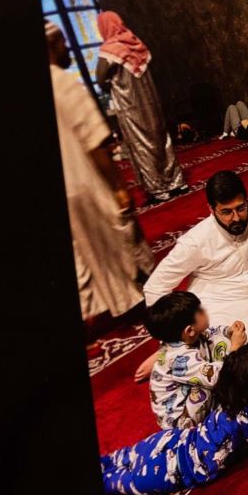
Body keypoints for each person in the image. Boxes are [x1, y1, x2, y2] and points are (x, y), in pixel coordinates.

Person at [46, 21, 154, 324]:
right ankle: (136, 300)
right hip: (88, 181)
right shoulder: (65, 83)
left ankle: (98, 310)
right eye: (63, 44)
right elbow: (96, 142)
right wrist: (119, 186)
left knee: (84, 249)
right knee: (119, 238)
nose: (68, 48)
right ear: (52, 48)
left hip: (67, 188)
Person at [101, 341, 248, 495]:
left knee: (121, 456)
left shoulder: (229, 392)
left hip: (171, 439)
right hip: (171, 471)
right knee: (114, 481)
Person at [142, 171, 248, 356]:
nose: (236, 218)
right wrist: (171, 341)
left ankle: (218, 359)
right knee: (217, 342)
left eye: (241, 208)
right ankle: (179, 354)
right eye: (226, 212)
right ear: (211, 210)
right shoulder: (196, 240)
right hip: (214, 311)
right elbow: (154, 288)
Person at [95, 11, 186, 203]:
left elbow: (100, 79)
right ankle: (176, 182)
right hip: (151, 103)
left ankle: (159, 188)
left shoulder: (109, 50)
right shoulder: (137, 44)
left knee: (142, 144)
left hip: (130, 107)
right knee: (161, 140)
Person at [144, 291, 247, 429]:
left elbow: (211, 332)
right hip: (179, 420)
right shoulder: (180, 359)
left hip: (187, 396)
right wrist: (235, 347)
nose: (204, 310)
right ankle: (214, 419)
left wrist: (228, 331)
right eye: (200, 310)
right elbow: (216, 377)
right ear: (190, 330)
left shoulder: (187, 337)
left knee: (218, 342)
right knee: (203, 388)